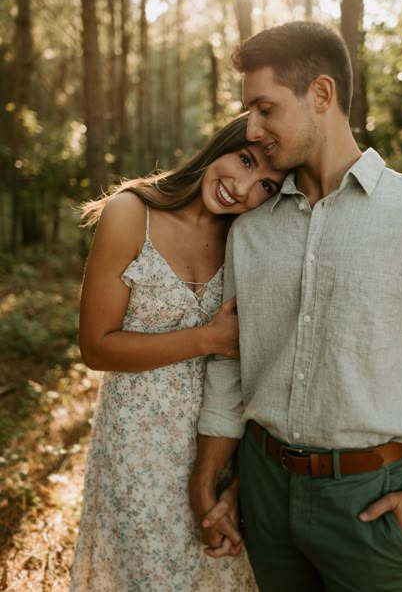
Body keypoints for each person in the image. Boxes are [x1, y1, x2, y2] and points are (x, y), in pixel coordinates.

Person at [190, 21, 402, 592]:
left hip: (374, 503)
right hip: (263, 495)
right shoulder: (249, 230)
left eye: (265, 108)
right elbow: (231, 360)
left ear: (321, 94)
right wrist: (210, 475)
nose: (252, 128)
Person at [69, 114, 286, 592]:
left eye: (266, 186)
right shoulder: (131, 214)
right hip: (137, 443)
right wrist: (206, 339)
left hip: (217, 440)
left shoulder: (246, 240)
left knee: (219, 575)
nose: (243, 187)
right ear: (220, 146)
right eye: (244, 160)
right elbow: (96, 346)